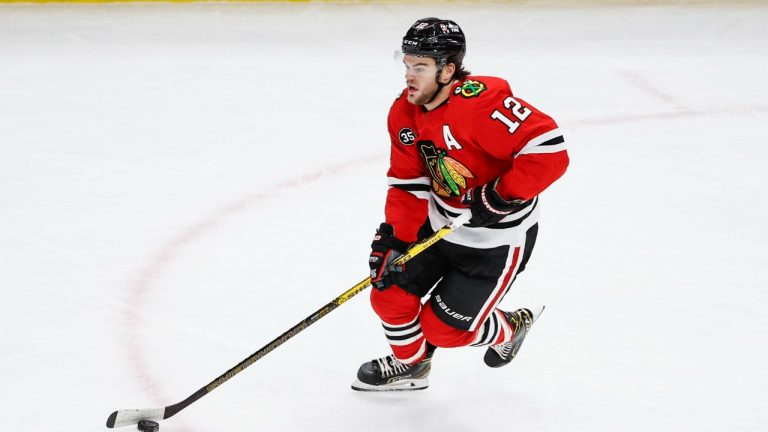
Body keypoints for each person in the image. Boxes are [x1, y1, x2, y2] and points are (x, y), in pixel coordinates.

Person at [351, 18, 568, 392]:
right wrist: (394, 240)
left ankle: (510, 327)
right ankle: (411, 366)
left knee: (446, 332)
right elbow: (408, 183)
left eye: (420, 67)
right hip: (438, 229)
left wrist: (501, 195)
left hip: (494, 244)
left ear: (448, 69)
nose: (409, 76)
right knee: (388, 295)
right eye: (406, 65)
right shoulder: (404, 112)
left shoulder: (481, 104)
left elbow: (550, 152)